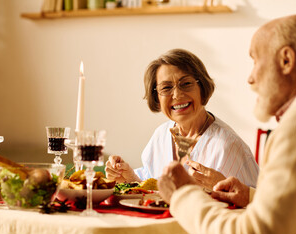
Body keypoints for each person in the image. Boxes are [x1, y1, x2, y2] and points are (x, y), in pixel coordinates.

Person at [157, 15, 296, 234]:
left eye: (255, 61)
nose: (250, 78)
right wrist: (251, 196)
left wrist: (183, 195)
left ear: (286, 60)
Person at [105, 48, 259, 189]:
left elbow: (261, 206)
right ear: (156, 97)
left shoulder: (228, 146)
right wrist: (130, 177)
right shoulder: (161, 135)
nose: (177, 95)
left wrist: (223, 189)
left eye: (186, 84)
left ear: (202, 88)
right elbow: (151, 186)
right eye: (166, 88)